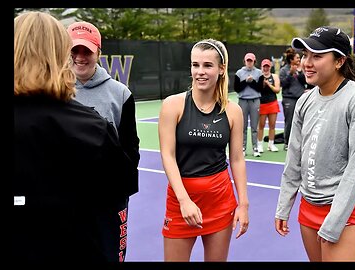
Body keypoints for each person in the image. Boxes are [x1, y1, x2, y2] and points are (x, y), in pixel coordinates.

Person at [14, 11, 134, 262]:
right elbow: (120, 186)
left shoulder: (114, 100)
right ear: (60, 55)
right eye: (73, 51)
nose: (79, 57)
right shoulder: (92, 128)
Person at [274, 26, 355, 261]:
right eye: (305, 55)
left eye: (317, 56)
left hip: (347, 212)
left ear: (339, 61)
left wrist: (333, 222)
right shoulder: (304, 101)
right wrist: (284, 205)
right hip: (309, 208)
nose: (307, 63)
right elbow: (294, 159)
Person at [158, 38, 249, 261]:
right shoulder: (173, 105)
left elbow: (237, 159)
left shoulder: (233, 111)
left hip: (220, 200)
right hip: (181, 200)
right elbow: (167, 156)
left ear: (221, 69)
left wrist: (243, 204)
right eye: (195, 65)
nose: (200, 71)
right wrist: (184, 200)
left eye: (207, 65)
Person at [67, 20, 140, 262]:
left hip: (108, 200)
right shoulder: (54, 89)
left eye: (86, 50)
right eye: (74, 50)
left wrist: (118, 188)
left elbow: (131, 149)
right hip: (67, 199)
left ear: (98, 52)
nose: (80, 57)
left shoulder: (120, 93)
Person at [234, 52, 262, 157]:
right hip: (243, 101)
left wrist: (253, 81)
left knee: (254, 126)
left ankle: (255, 148)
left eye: (251, 61)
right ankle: (243, 147)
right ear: (245, 61)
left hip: (255, 101)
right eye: (247, 60)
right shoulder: (239, 73)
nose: (249, 62)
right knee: (243, 126)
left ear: (254, 61)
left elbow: (260, 88)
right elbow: (237, 88)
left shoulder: (259, 73)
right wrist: (246, 81)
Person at [279, 48, 306, 150]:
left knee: (302, 121)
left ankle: (300, 142)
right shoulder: (283, 70)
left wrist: (298, 73)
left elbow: (305, 81)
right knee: (289, 121)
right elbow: (283, 84)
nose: (299, 59)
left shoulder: (302, 69)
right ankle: (287, 143)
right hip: (289, 99)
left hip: (301, 98)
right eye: (297, 58)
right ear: (291, 60)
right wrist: (290, 74)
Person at [256, 59, 281, 153]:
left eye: (267, 66)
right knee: (261, 125)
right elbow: (257, 90)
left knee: (272, 125)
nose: (266, 68)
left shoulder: (274, 76)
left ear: (270, 67)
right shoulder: (258, 77)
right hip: (261, 103)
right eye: (264, 66)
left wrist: (269, 85)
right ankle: (259, 145)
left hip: (272, 103)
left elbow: (277, 90)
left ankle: (271, 144)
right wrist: (262, 84)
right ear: (261, 67)